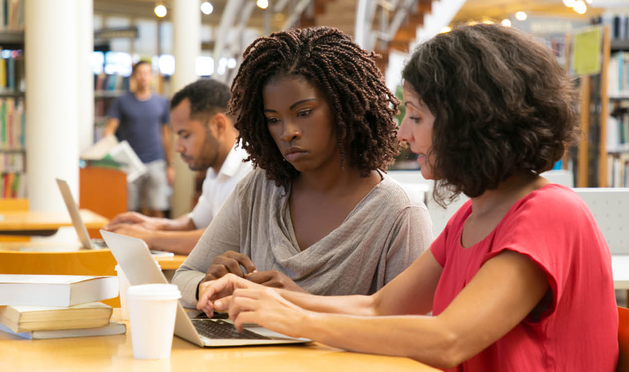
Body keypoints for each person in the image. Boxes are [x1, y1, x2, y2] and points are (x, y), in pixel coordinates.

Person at [197, 25, 618, 371]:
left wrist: (301, 320)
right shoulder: (474, 216)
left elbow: (449, 338)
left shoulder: (549, 213)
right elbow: (381, 306)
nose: (402, 134)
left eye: (416, 116)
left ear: (469, 120)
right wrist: (268, 298)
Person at [172, 27, 434, 308]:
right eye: (273, 119)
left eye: (304, 113)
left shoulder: (400, 214)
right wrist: (211, 287)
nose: (288, 132)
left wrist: (299, 303)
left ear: (343, 108)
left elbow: (409, 333)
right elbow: (183, 278)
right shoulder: (258, 189)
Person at [104, 79, 253, 255]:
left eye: (185, 135)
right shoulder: (216, 171)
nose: (178, 148)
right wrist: (156, 225)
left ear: (219, 125)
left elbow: (221, 240)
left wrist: (149, 237)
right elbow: (196, 222)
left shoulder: (250, 168)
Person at [104, 60, 174, 217]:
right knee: (130, 210)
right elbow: (109, 132)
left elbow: (165, 134)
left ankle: (159, 242)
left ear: (152, 76)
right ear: (134, 76)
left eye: (147, 73)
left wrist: (170, 165)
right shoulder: (122, 102)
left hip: (155, 161)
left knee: (156, 208)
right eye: (140, 73)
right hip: (130, 163)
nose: (143, 77)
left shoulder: (161, 102)